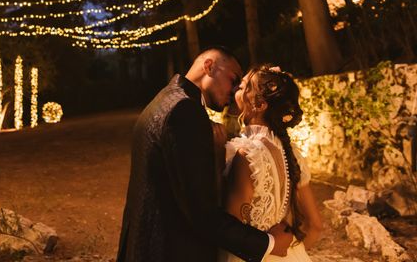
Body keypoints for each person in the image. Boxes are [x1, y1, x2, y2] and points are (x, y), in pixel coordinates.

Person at [116, 47, 293, 262]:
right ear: (209, 67)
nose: (236, 89)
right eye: (233, 79)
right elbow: (202, 212)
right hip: (167, 250)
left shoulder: (166, 98)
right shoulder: (184, 111)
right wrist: (269, 243)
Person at [219, 65, 323, 262]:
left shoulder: (248, 155)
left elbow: (230, 232)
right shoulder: (290, 151)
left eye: (242, 87)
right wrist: (293, 255)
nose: (235, 91)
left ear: (259, 104)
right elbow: (315, 225)